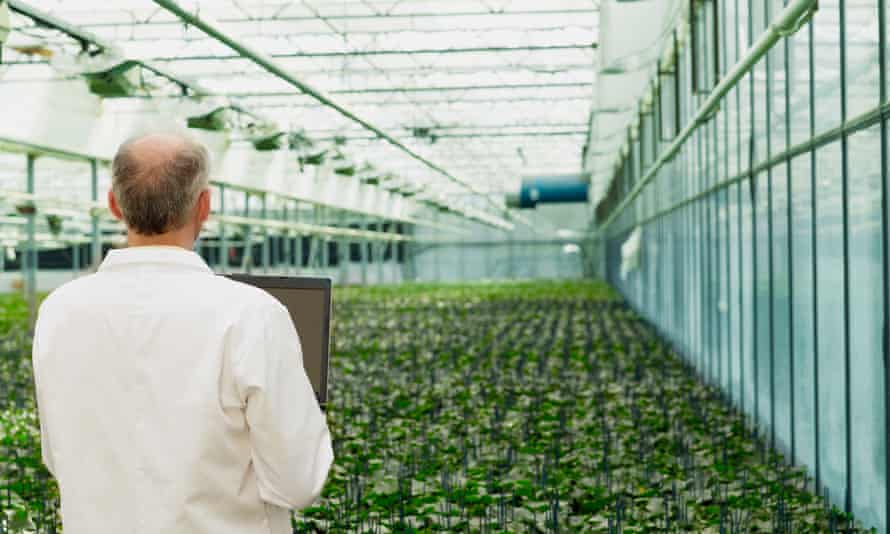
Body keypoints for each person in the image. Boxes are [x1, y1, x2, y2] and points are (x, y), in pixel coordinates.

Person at [31, 132, 333, 534]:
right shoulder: (251, 315)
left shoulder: (59, 310)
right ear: (204, 205)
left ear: (114, 204)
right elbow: (298, 483)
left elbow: (58, 456)